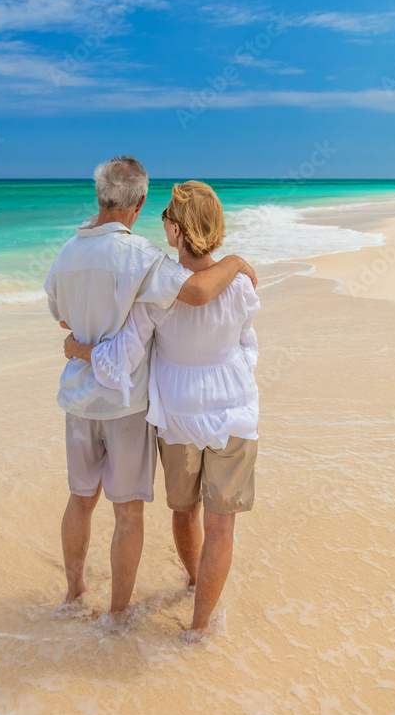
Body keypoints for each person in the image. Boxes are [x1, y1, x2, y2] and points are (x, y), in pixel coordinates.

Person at [45, 158, 257, 618]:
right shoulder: (143, 259)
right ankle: (123, 614)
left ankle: (75, 592)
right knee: (130, 515)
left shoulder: (66, 252)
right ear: (139, 204)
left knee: (81, 501)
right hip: (126, 405)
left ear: (100, 196)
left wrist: (82, 342)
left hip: (82, 400)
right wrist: (236, 262)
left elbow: (60, 314)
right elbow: (200, 294)